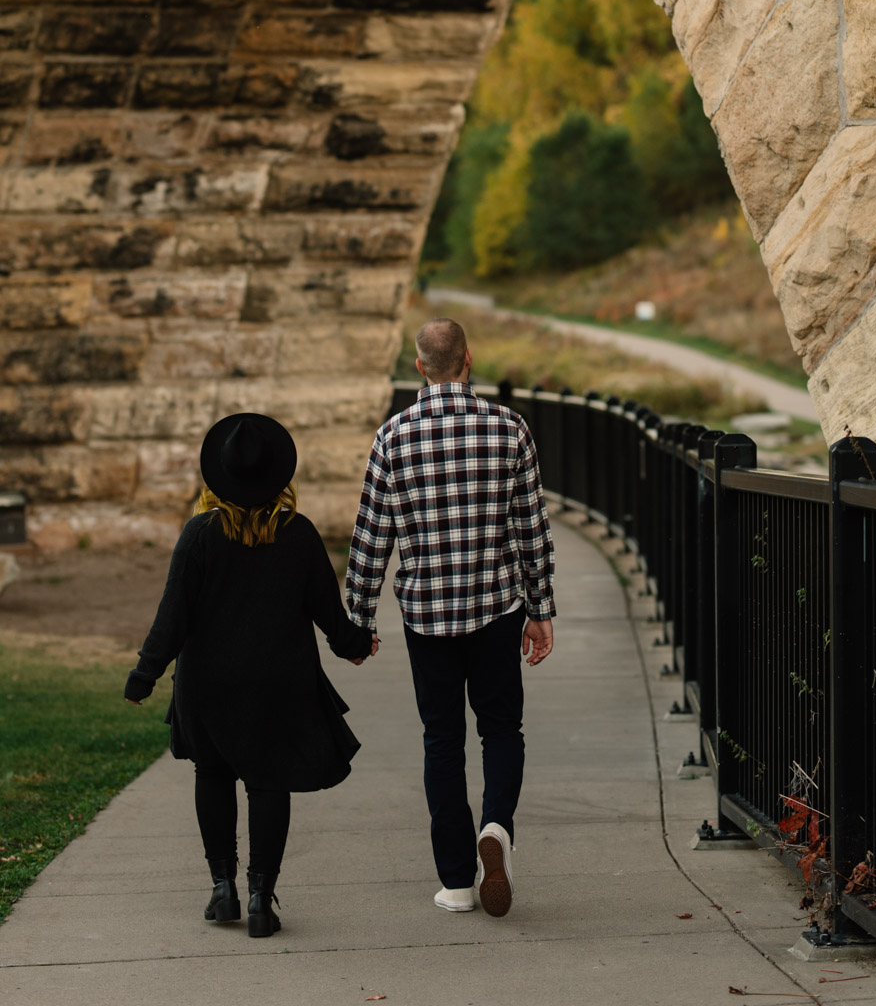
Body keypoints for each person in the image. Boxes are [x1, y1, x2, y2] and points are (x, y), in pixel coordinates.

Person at [124, 412, 373, 938]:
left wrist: (145, 674)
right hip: (276, 684)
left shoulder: (199, 535)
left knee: (211, 775)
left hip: (207, 685)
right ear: (279, 477)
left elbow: (173, 615)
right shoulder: (298, 535)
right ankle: (261, 896)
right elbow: (329, 614)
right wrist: (356, 645)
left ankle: (222, 890)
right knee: (268, 781)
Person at [346, 317, 555, 919]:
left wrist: (358, 620)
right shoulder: (508, 429)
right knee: (501, 732)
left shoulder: (393, 437)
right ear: (469, 360)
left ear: (420, 368)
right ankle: (497, 827)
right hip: (495, 611)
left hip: (427, 619)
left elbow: (370, 539)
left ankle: (459, 882)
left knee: (442, 744)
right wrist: (539, 612)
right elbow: (532, 530)